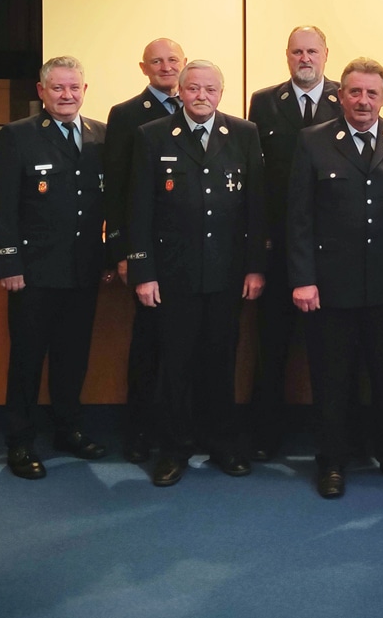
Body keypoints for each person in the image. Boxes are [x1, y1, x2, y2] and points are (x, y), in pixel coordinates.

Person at [287, 57, 383, 499]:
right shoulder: (313, 141)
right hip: (331, 287)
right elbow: (298, 218)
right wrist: (303, 278)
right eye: (354, 92)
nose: (363, 100)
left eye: (371, 93)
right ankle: (332, 460)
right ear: (340, 95)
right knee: (333, 378)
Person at [128, 59, 266, 487]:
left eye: (210, 89)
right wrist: (143, 272)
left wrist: (255, 267)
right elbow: (139, 210)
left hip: (226, 274)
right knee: (175, 365)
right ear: (180, 93)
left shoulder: (243, 133)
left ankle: (223, 443)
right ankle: (174, 449)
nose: (201, 96)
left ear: (221, 93)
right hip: (173, 276)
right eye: (193, 89)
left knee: (221, 361)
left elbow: (256, 208)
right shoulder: (152, 136)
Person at [0, 55, 110, 479]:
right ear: (41, 92)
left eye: (74, 87)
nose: (67, 95)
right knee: (26, 360)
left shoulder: (99, 137)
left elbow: (106, 205)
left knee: (73, 357)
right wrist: (7, 262)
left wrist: (109, 259)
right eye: (57, 88)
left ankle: (67, 429)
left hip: (83, 271)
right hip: (34, 274)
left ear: (85, 90)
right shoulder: (18, 136)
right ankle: (19, 442)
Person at [245, 25, 343, 461]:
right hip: (280, 247)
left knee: (336, 352)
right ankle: (265, 436)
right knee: (272, 345)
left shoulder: (349, 97)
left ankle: (342, 438)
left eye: (312, 51)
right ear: (287, 56)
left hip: (334, 250)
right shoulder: (265, 103)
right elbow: (258, 179)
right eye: (297, 52)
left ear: (326, 54)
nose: (305, 58)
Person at [103, 38, 187, 463]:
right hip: (148, 253)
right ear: (143, 68)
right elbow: (118, 189)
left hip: (189, 254)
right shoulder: (127, 115)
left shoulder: (197, 110)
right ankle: (139, 433)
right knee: (148, 348)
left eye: (173, 60)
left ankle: (182, 432)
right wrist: (122, 251)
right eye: (157, 61)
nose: (166, 67)